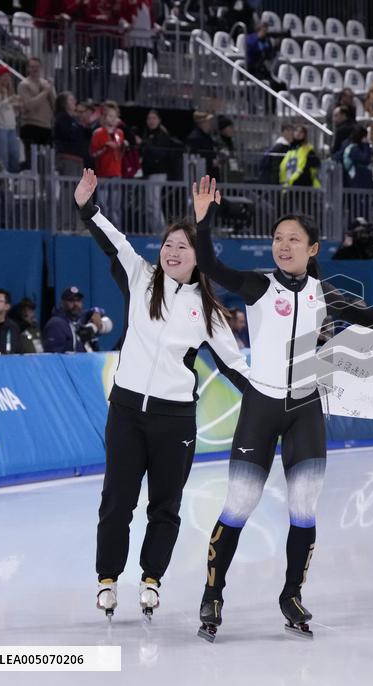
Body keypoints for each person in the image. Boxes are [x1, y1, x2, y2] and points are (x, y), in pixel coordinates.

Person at [191, 177, 373, 641]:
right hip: (261, 407)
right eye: (278, 239)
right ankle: (213, 593)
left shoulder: (325, 294)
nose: (283, 246)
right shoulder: (258, 287)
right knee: (239, 505)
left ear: (312, 248)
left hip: (305, 408)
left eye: (293, 240)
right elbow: (209, 264)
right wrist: (204, 219)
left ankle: (291, 594)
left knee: (303, 509)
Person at [72, 169, 250, 621]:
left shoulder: (207, 310)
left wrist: (264, 402)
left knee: (165, 506)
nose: (172, 252)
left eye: (183, 246)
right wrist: (87, 207)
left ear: (197, 257)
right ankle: (107, 579)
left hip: (175, 421)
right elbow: (114, 241)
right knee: (117, 501)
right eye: (168, 244)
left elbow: (234, 365)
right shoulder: (141, 278)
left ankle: (152, 579)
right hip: (128, 411)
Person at [42, 285, 112, 353]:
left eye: (78, 300)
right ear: (62, 303)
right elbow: (54, 357)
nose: (76, 304)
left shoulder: (80, 317)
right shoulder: (56, 324)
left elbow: (98, 311)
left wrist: (97, 312)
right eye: (71, 300)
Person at [17, 57, 56, 164]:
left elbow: (55, 105)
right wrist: (45, 92)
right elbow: (29, 106)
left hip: (46, 127)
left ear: (41, 68)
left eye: (37, 67)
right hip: (30, 126)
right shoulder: (24, 85)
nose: (35, 69)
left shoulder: (46, 84)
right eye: (32, 67)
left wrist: (51, 89)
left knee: (46, 162)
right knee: (31, 162)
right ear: (27, 69)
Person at [0, 65, 21, 172]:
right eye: (4, 76)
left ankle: (14, 181)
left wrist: (17, 108)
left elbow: (10, 111)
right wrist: (8, 101)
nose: (6, 78)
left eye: (8, 76)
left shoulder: (8, 90)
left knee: (14, 155)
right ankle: (3, 183)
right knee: (3, 157)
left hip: (11, 127)